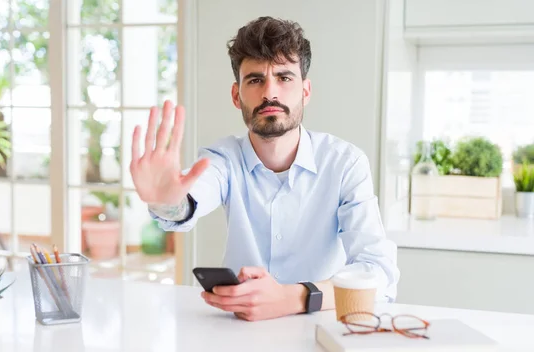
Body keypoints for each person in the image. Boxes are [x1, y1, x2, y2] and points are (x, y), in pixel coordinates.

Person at [129, 16, 399, 321]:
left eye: (284, 78)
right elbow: (191, 198)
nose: (270, 92)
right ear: (236, 95)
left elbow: (380, 273)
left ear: (305, 91)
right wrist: (168, 204)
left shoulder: (345, 163)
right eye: (256, 79)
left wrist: (294, 297)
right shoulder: (222, 159)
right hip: (238, 338)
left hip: (320, 332)